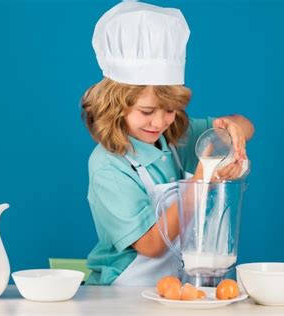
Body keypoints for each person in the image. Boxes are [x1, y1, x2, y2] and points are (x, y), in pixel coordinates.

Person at [81, 1, 254, 286]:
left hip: (172, 288)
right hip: (121, 293)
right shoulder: (108, 165)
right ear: (114, 105)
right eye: (147, 112)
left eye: (170, 110)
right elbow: (151, 245)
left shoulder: (175, 138)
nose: (159, 123)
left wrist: (231, 130)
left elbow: (246, 125)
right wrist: (201, 183)